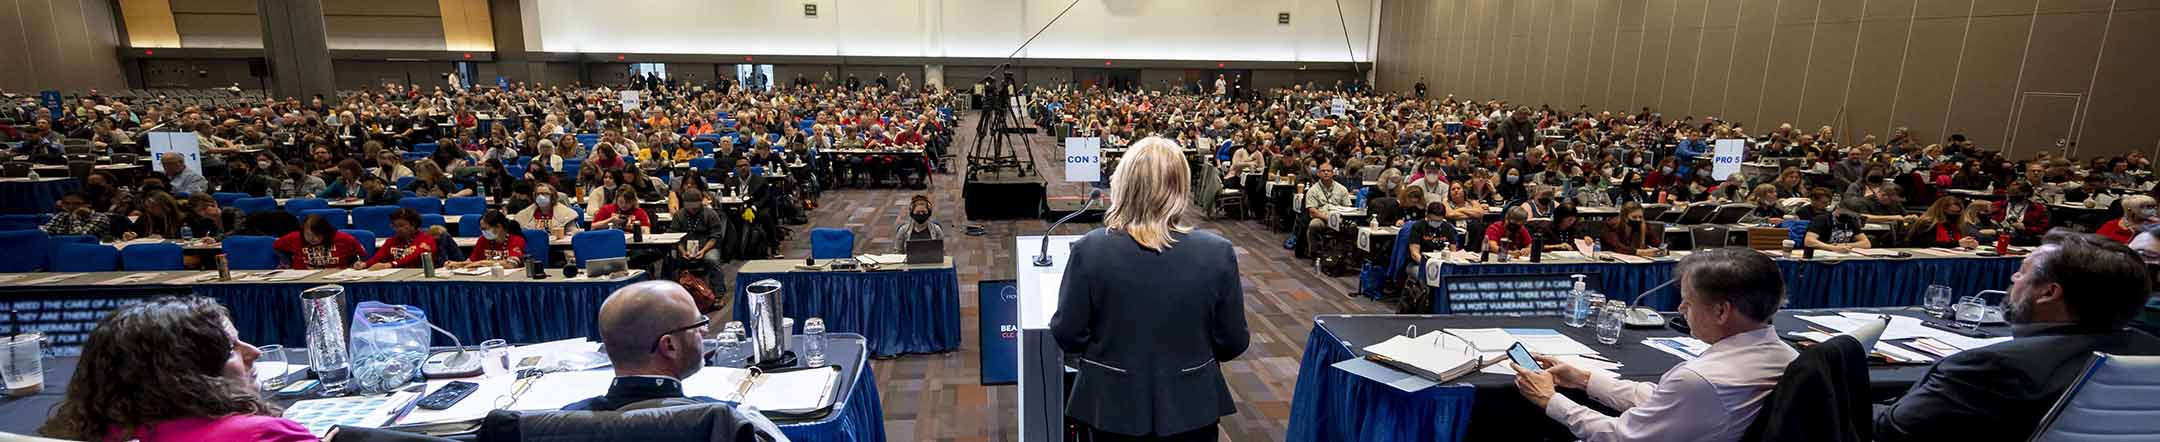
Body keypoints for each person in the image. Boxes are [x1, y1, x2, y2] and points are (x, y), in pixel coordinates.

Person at [1051, 137, 1248, 442]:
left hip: (1111, 407)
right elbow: (1233, 341)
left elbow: (1068, 334)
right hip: (1192, 407)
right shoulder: (1218, 252)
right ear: (1181, 187)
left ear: (1125, 183)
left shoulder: (1089, 250)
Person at [1874, 232, 2160, 441]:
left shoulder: (1992, 367)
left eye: (2022, 273)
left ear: (2048, 292)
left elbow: (1893, 430)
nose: (2013, 280)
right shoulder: (2151, 350)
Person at [1511, 247, 1797, 442]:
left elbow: (1621, 436)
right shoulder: (1786, 355)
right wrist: (1585, 380)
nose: (1681, 307)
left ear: (1721, 311)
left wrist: (1551, 400)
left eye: (1688, 300)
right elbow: (1665, 402)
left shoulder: (1700, 380)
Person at [38, 296, 315, 442]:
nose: (253, 352)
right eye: (231, 348)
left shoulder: (83, 432)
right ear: (186, 373)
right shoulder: (264, 435)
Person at [563, 280, 719, 411]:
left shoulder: (563, 422)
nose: (704, 332)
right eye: (698, 324)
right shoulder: (720, 420)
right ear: (670, 346)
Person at [275, 215, 366, 269]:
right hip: (303, 280)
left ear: (326, 232)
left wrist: (356, 263)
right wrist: (287, 264)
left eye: (317, 235)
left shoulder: (344, 239)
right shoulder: (294, 238)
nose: (312, 238)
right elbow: (277, 246)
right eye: (308, 235)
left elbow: (360, 255)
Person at [360, 208, 437, 269]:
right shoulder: (391, 241)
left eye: (401, 225)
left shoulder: (426, 240)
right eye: (394, 226)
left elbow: (413, 257)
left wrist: (391, 264)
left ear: (413, 225)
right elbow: (378, 257)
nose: (397, 229)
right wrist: (365, 264)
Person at [1304, 159, 1355, 246]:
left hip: (1340, 218)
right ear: (1318, 173)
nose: (1326, 173)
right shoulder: (1312, 190)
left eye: (1329, 171)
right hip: (1321, 218)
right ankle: (1314, 252)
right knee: (1313, 225)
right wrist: (1329, 219)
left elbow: (1348, 207)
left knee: (1354, 226)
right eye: (1323, 171)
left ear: (1333, 173)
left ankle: (1347, 252)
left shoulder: (1342, 189)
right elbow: (1312, 211)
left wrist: (1337, 219)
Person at [451, 211, 524, 269]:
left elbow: (512, 264)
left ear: (499, 227)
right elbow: (472, 261)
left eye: (485, 229)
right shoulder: (482, 239)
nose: (483, 232)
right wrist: (458, 264)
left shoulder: (517, 240)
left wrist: (481, 263)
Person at [1903, 197, 1981, 249]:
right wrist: (1958, 244)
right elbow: (1928, 244)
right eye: (1951, 212)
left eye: (1958, 212)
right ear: (1941, 211)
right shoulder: (1928, 222)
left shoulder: (1956, 224)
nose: (1955, 215)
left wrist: (1969, 243)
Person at [513, 183, 582, 239]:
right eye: (538, 194)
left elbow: (573, 232)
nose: (541, 196)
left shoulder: (567, 213)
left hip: (558, 249)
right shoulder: (524, 215)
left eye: (545, 194)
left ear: (552, 196)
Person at [1598, 202, 1666, 256]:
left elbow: (1656, 242)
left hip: (1636, 259)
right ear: (1624, 217)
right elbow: (1617, 247)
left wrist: (1662, 250)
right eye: (1634, 217)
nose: (1638, 219)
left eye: (1640, 217)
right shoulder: (1611, 225)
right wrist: (1642, 252)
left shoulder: (1643, 225)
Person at [1807, 198, 1876, 252]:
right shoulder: (1821, 219)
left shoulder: (1851, 221)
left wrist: (1845, 245)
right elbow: (1809, 241)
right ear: (1837, 209)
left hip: (1843, 253)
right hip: (1823, 252)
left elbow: (1866, 244)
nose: (1847, 215)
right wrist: (1833, 247)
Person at [42, 193, 112, 240]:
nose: (71, 207)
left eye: (77, 204)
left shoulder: (100, 218)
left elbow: (78, 238)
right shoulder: (61, 215)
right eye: (67, 203)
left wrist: (75, 217)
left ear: (88, 204)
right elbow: (43, 233)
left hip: (87, 252)